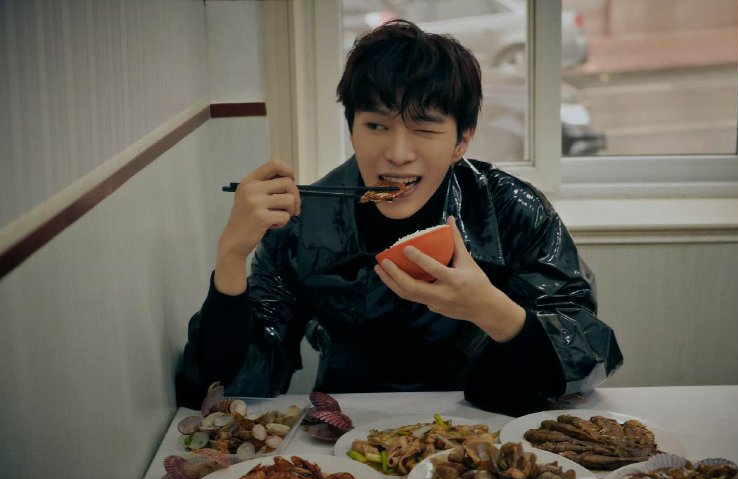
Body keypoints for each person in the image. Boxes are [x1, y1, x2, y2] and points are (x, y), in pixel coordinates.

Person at [176, 20, 622, 416]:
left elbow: (586, 351)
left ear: (462, 140)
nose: (398, 153)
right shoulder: (304, 222)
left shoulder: (510, 208)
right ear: (352, 130)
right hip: (348, 425)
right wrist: (231, 255)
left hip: (484, 424)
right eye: (376, 126)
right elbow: (226, 390)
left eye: (424, 129)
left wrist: (490, 309)